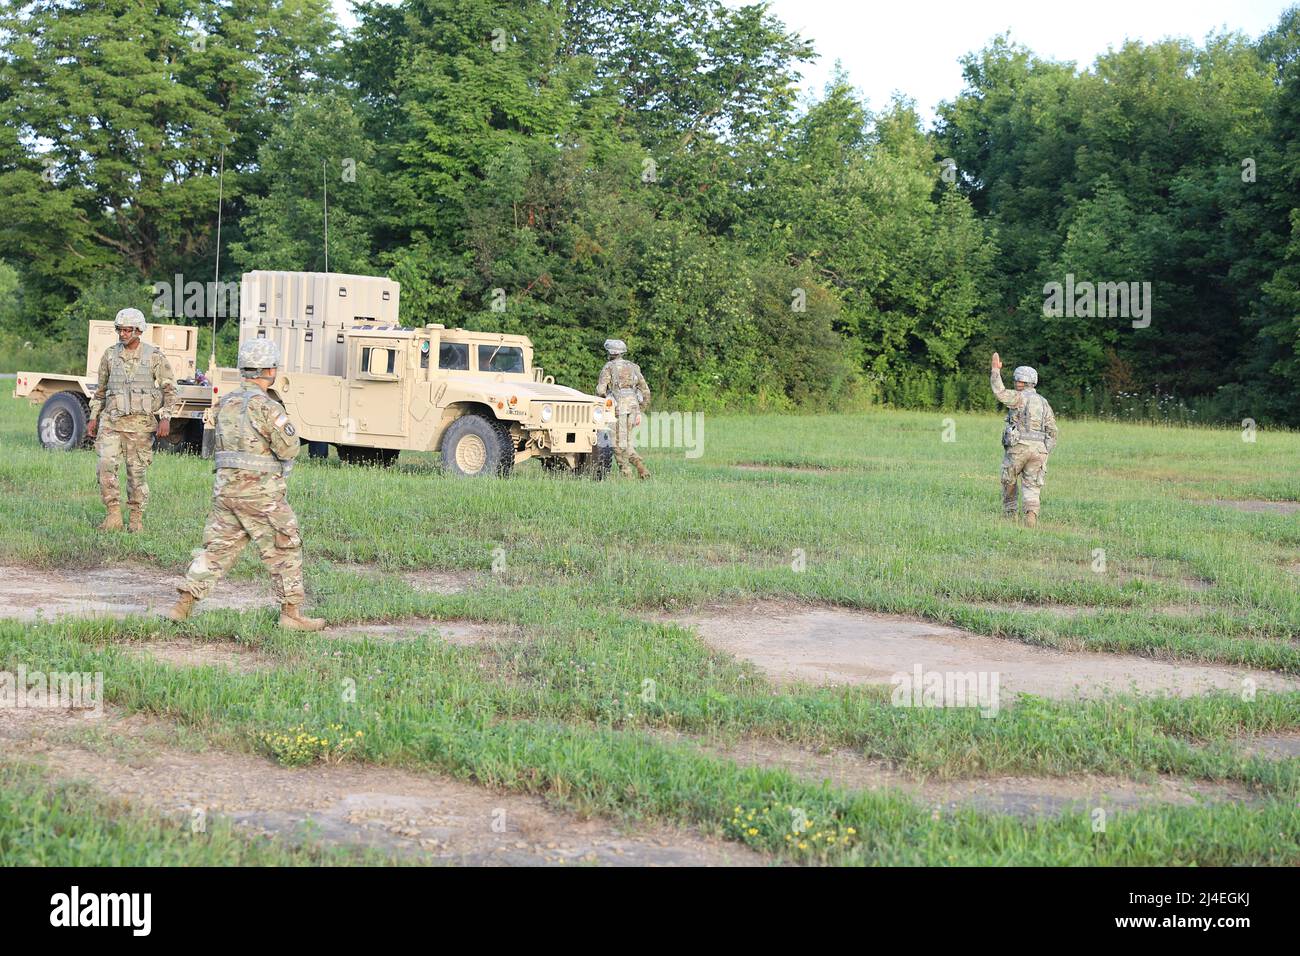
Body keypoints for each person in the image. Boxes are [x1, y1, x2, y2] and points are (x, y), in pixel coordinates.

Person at [166, 338, 325, 630]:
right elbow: (289, 448)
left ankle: (182, 606)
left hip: (226, 492)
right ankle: (291, 615)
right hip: (261, 494)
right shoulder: (267, 407)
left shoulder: (226, 403)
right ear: (268, 370)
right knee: (285, 547)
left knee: (215, 551)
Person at [86, 308, 177, 533]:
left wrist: (165, 417)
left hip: (140, 425)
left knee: (136, 473)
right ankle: (113, 515)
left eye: (128, 330)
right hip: (111, 422)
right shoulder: (109, 355)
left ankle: (136, 519)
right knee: (105, 467)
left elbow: (171, 390)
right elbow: (101, 391)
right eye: (120, 329)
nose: (123, 334)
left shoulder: (154, 356)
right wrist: (93, 417)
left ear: (139, 331)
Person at [990, 352, 1058, 527]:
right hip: (1040, 450)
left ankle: (1010, 513)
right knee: (1032, 485)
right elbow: (1052, 430)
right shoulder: (1044, 402)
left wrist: (995, 371)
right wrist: (1045, 451)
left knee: (1009, 479)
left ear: (1021, 382)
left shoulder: (1018, 397)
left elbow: (999, 391)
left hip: (1019, 447)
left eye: (1016, 380)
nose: (1015, 383)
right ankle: (1031, 515)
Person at [595, 338, 651, 479]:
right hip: (633, 408)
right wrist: (640, 410)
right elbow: (645, 391)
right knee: (626, 441)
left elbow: (601, 390)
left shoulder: (608, 367)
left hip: (617, 409)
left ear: (610, 352)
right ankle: (639, 467)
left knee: (616, 443)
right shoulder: (634, 367)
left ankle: (628, 474)